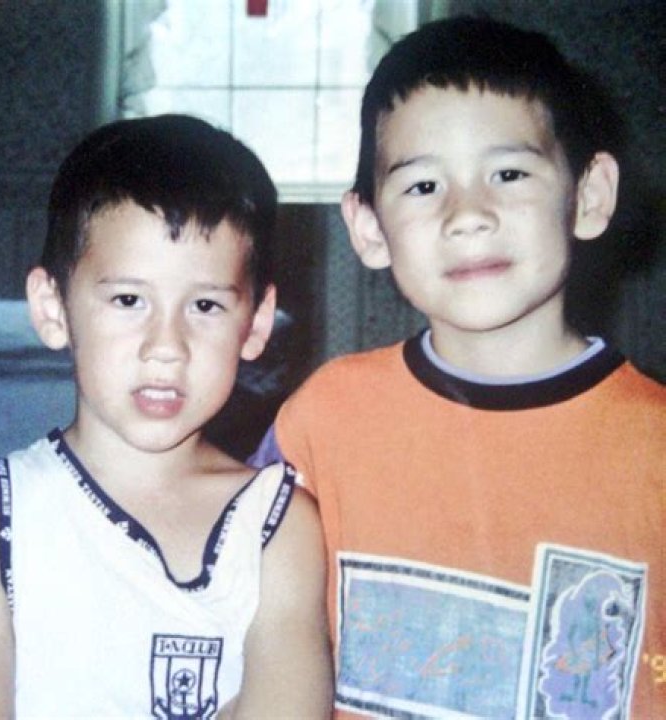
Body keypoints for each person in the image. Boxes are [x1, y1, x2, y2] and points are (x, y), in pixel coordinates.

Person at [251, 16, 665, 719]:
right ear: (369, 228)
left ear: (589, 196)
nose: (467, 214)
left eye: (509, 174)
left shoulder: (654, 448)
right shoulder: (322, 422)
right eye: (422, 186)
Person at [0, 114, 333, 718]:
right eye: (129, 300)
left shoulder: (277, 526)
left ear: (256, 323)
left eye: (205, 306)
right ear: (53, 308)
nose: (166, 347)